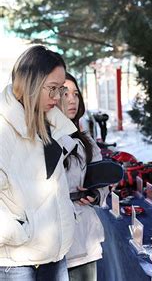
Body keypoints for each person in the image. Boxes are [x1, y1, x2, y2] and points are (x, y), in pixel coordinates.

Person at [0, 46, 77, 280]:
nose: (57, 97)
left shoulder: (51, 124)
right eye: (52, 89)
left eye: (60, 89)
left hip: (55, 255)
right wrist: (19, 231)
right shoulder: (3, 130)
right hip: (17, 263)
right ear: (30, 83)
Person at [59, 73, 108, 281]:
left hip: (82, 242)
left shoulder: (85, 140)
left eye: (76, 94)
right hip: (47, 242)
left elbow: (102, 180)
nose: (72, 99)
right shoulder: (37, 138)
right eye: (64, 93)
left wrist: (95, 194)